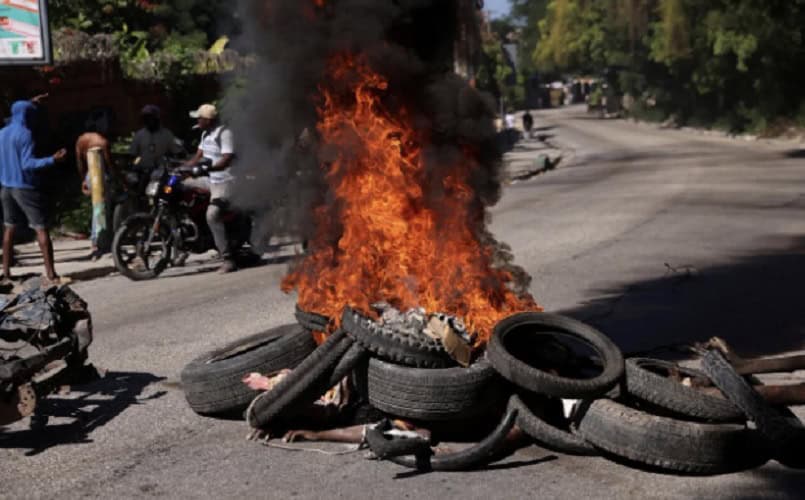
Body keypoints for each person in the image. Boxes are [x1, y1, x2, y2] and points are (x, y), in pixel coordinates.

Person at [0, 97, 68, 284]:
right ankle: (52, 275)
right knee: (41, 228)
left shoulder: (2, 133)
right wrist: (53, 159)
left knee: (9, 228)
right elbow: (28, 163)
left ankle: (5, 273)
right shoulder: (25, 134)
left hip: (6, 187)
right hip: (25, 188)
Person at [183, 103, 237, 273]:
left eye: (199, 118)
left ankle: (228, 259)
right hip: (208, 179)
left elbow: (227, 159)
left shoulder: (225, 133)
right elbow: (197, 157)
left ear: (208, 119)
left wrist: (208, 168)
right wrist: (181, 168)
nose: (197, 120)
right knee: (177, 187)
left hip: (224, 181)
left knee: (212, 215)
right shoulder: (205, 134)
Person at [75, 130, 116, 260]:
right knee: (102, 209)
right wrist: (118, 179)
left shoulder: (81, 140)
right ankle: (100, 241)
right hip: (101, 175)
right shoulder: (103, 142)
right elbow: (110, 164)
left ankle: (96, 241)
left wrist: (84, 180)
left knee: (97, 209)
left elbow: (80, 162)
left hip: (90, 175)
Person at [129, 105, 183, 171]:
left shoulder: (167, 134)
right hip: (142, 171)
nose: (149, 120)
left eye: (151, 117)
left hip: (161, 171)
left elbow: (176, 152)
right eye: (146, 118)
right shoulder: (139, 135)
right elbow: (134, 155)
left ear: (157, 117)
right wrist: (135, 165)